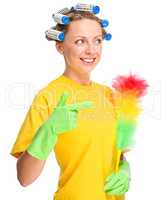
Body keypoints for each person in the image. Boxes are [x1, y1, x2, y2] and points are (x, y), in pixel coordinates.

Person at [10, 4, 130, 200]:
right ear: (60, 46)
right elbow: (25, 178)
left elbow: (118, 155)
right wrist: (47, 132)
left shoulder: (111, 96)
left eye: (97, 40)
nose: (91, 50)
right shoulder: (49, 96)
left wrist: (125, 170)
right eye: (80, 41)